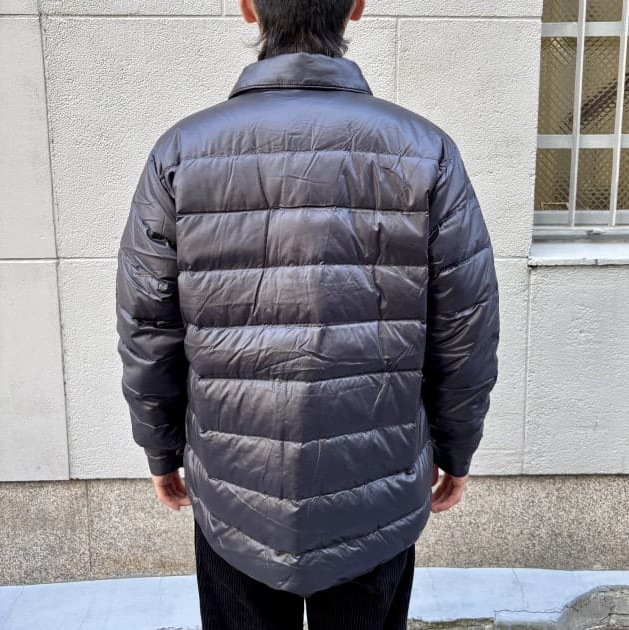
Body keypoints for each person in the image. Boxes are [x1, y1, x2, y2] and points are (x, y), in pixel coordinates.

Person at [115, 0, 500, 628]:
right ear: (356, 7)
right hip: (374, 490)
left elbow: (147, 326)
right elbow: (466, 324)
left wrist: (161, 448)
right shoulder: (426, 151)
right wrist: (456, 448)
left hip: (236, 493)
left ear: (248, 8)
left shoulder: (180, 154)